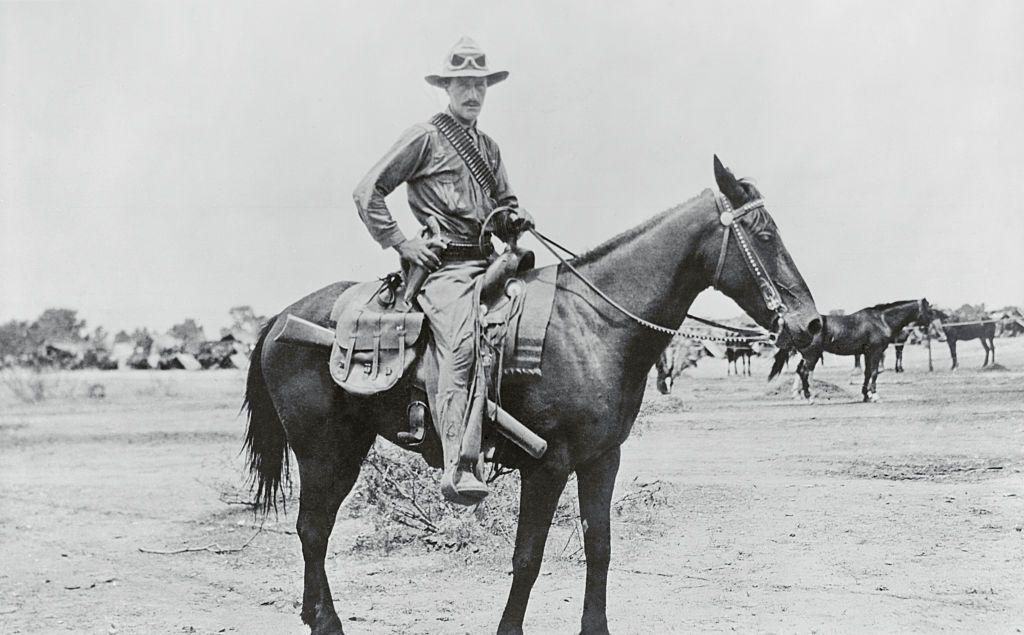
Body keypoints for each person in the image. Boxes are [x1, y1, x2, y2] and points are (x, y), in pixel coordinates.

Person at [353, 37, 530, 505]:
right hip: (445, 269)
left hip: (488, 261)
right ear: (447, 88)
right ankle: (460, 461)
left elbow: (505, 205)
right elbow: (367, 191)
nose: (472, 93)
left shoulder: (488, 149)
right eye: (463, 85)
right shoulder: (425, 137)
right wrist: (402, 243)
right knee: (463, 338)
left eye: (479, 85)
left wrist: (514, 218)